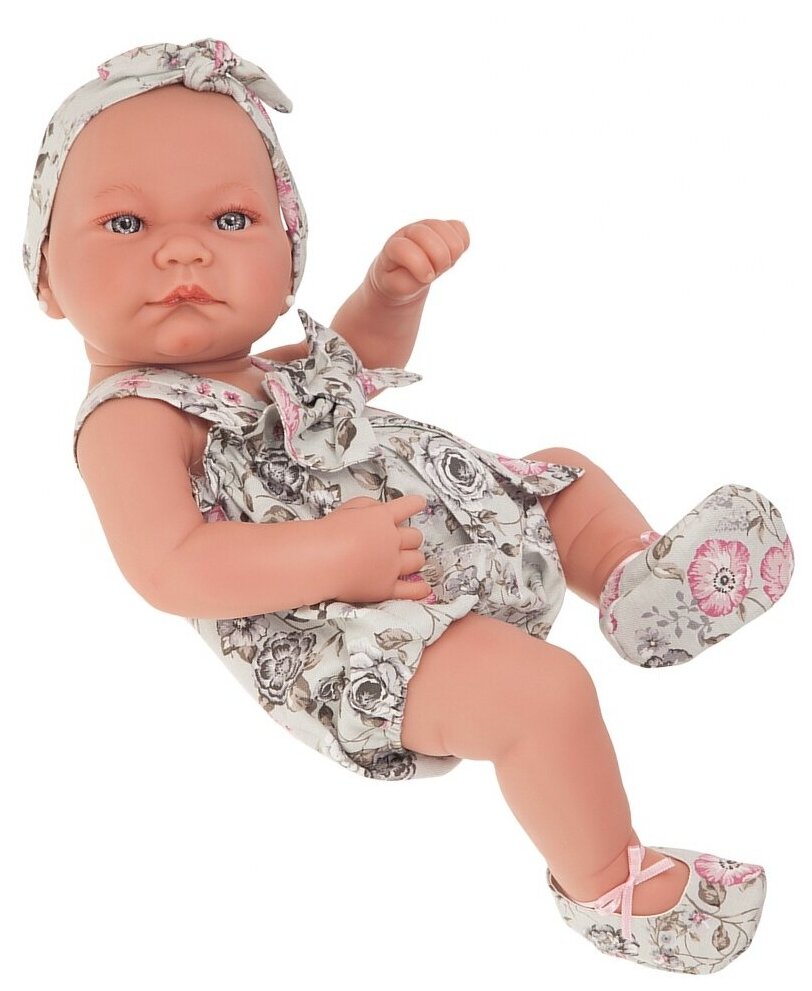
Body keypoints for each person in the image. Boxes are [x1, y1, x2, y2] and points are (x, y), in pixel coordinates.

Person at [24, 39, 793, 974]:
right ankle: (614, 885)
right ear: (44, 276)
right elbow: (168, 565)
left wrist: (388, 296)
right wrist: (334, 556)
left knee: (561, 472)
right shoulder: (133, 419)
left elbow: (354, 369)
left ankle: (644, 591)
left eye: (231, 218)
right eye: (125, 222)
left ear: (289, 248)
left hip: (461, 540)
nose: (184, 249)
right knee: (546, 697)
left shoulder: (262, 372)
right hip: (360, 636)